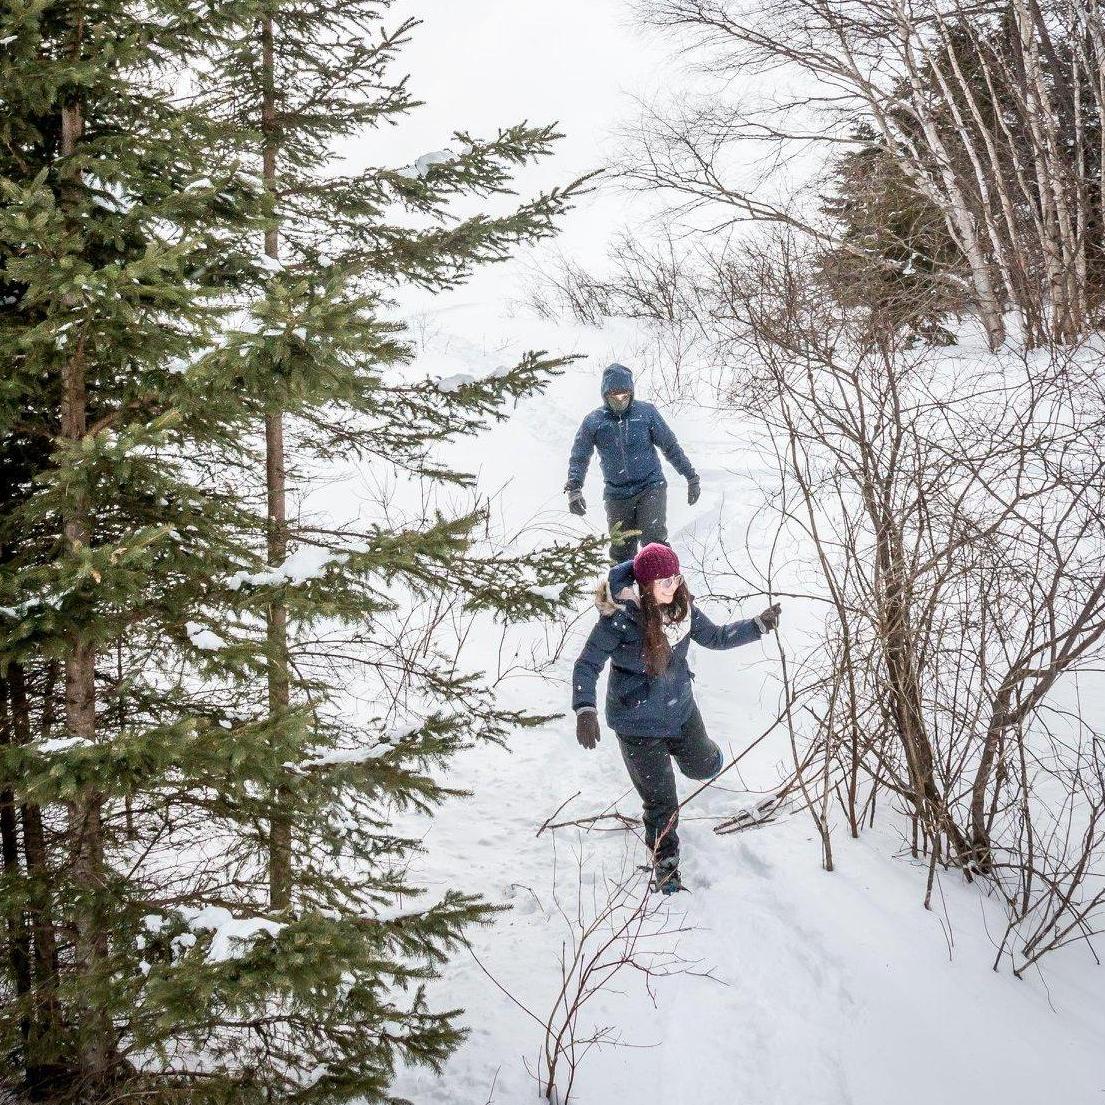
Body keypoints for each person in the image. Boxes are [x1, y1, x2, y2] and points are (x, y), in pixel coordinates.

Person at [571, 542, 781, 894]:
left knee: (703, 767)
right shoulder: (619, 619)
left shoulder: (682, 608)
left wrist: (757, 626)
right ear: (644, 585)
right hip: (637, 725)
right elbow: (587, 665)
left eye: (676, 578)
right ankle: (666, 866)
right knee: (661, 803)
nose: (673, 586)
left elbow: (715, 636)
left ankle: (697, 757)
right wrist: (585, 709)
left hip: (680, 711)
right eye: (664, 582)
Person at [565, 363, 700, 564]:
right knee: (621, 550)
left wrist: (691, 476)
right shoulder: (594, 421)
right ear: (605, 395)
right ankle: (623, 593)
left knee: (653, 543)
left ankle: (665, 591)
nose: (620, 401)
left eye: (624, 396)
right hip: (617, 493)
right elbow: (580, 456)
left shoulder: (646, 413)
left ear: (631, 393)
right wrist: (574, 489)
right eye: (614, 396)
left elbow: (670, 446)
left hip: (650, 486)